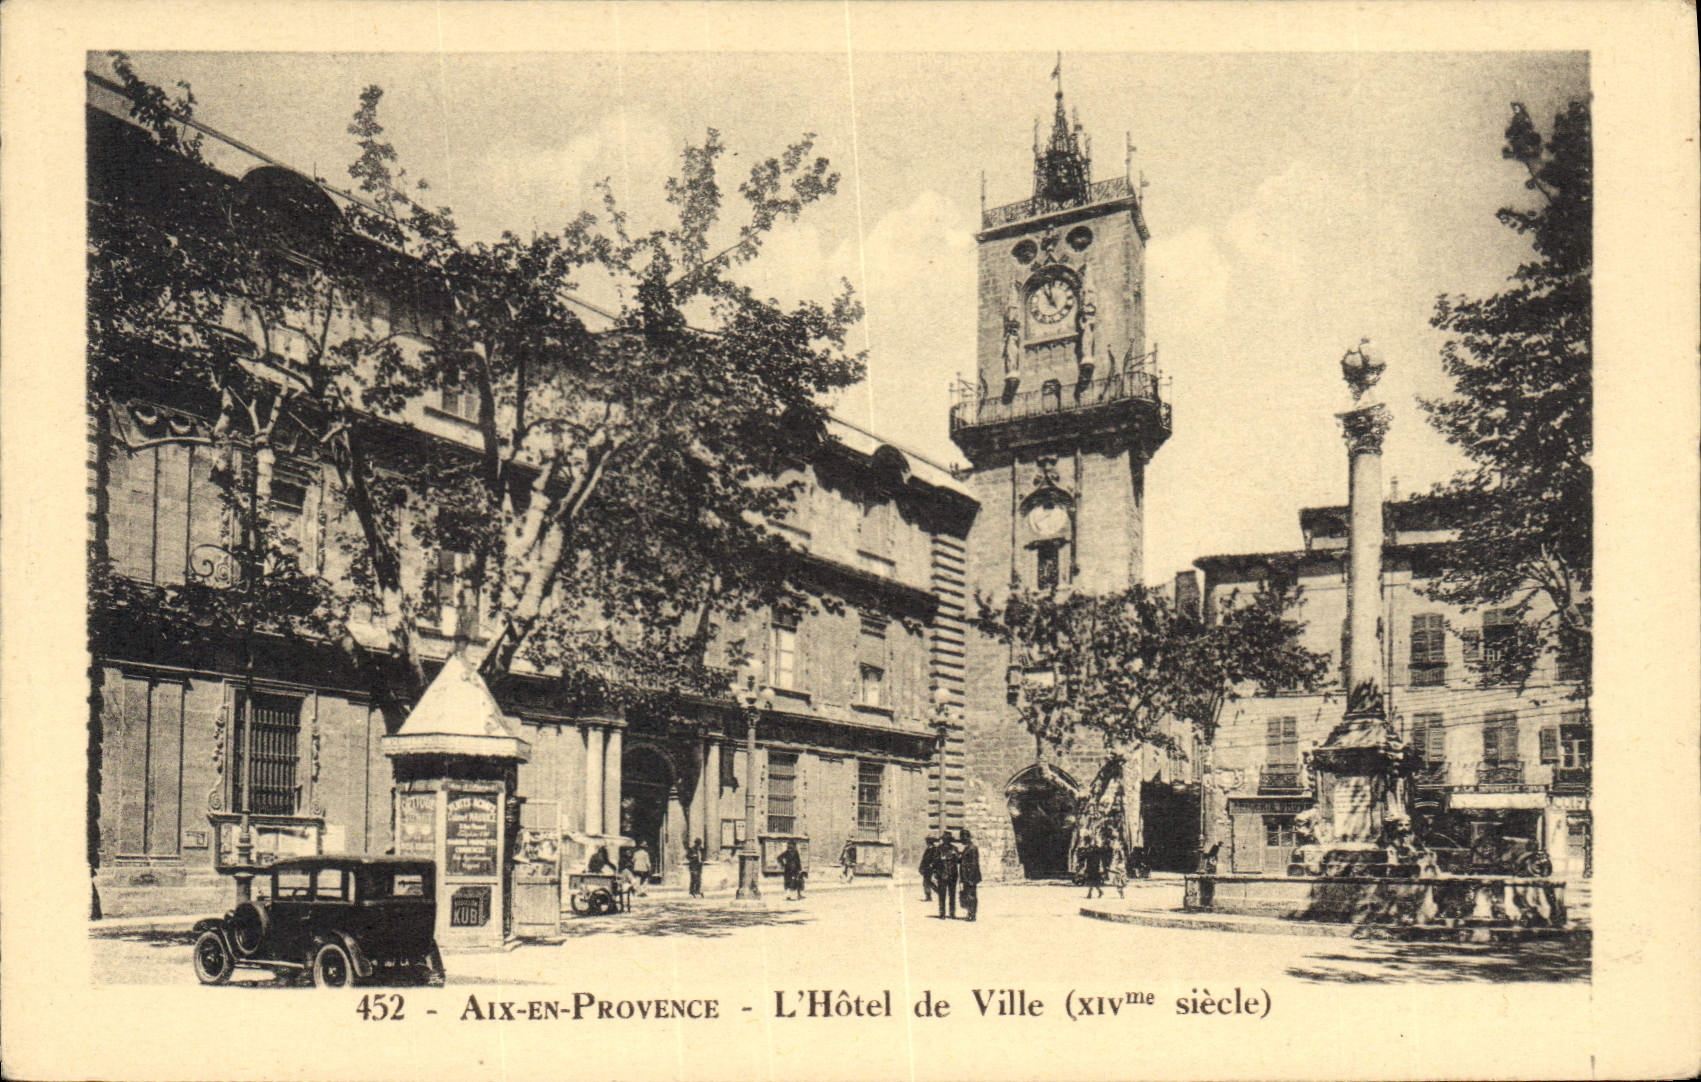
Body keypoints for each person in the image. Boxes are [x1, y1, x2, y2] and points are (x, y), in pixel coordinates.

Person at [957, 828, 982, 922]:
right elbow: (962, 861)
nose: (961, 840)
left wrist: (971, 879)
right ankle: (970, 913)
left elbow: (974, 864)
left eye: (962, 838)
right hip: (966, 876)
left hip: (970, 877)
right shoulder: (967, 848)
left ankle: (972, 915)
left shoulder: (973, 848)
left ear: (967, 837)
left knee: (971, 895)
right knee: (968, 894)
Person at [934, 830, 960, 919]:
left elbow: (959, 860)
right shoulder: (938, 849)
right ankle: (942, 913)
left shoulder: (954, 849)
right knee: (942, 895)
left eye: (948, 839)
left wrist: (956, 856)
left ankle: (952, 913)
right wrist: (936, 873)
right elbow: (935, 862)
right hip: (942, 874)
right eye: (945, 839)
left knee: (952, 895)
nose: (946, 841)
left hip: (953, 874)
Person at [919, 836, 940, 902]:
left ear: (930, 842)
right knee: (926, 882)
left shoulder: (935, 849)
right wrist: (921, 867)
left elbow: (936, 858)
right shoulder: (927, 849)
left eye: (927, 842)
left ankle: (938, 892)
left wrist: (932, 865)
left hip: (931, 868)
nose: (926, 843)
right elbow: (924, 859)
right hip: (926, 868)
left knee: (928, 881)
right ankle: (929, 896)